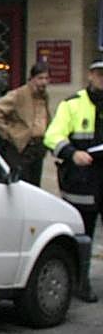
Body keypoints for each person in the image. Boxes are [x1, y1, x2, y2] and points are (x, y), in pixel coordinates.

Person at [44, 58, 103, 301]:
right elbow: (53, 136)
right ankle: (81, 283)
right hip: (82, 180)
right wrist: (72, 153)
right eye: (99, 74)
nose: (102, 79)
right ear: (90, 75)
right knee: (83, 234)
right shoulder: (73, 104)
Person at [0, 60, 51, 186]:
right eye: (40, 78)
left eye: (46, 78)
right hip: (21, 148)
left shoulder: (44, 96)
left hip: (38, 147)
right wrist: (9, 132)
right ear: (31, 79)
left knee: (35, 185)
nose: (43, 82)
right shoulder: (19, 94)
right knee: (22, 184)